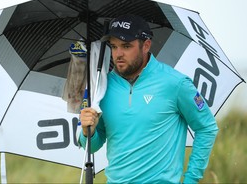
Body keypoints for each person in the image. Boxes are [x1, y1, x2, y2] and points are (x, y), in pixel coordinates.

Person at [79, 14, 218, 183]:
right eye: (114, 47)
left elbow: (207, 128)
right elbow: (93, 144)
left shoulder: (175, 83)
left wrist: (191, 179)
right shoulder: (102, 87)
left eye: (126, 46)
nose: (118, 54)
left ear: (146, 45)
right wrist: (89, 132)